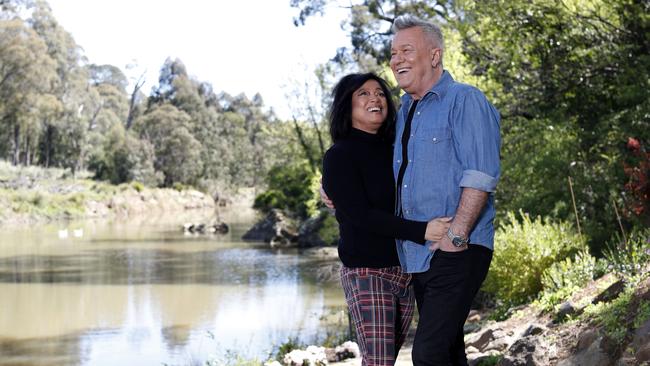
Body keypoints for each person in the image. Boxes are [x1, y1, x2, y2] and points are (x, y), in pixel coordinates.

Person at [322, 15, 501, 366]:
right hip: (418, 257)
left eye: (407, 50)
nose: (397, 59)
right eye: (393, 52)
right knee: (448, 350)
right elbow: (370, 183)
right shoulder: (405, 115)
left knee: (428, 353)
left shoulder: (464, 99)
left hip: (457, 248)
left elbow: (481, 173)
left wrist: (457, 235)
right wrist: (334, 193)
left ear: (434, 56)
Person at [322, 72, 452, 366]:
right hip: (367, 272)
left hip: (405, 270)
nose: (375, 99)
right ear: (347, 106)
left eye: (380, 93)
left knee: (386, 359)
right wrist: (424, 231)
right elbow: (361, 216)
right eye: (363, 94)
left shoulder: (398, 148)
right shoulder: (339, 155)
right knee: (379, 361)